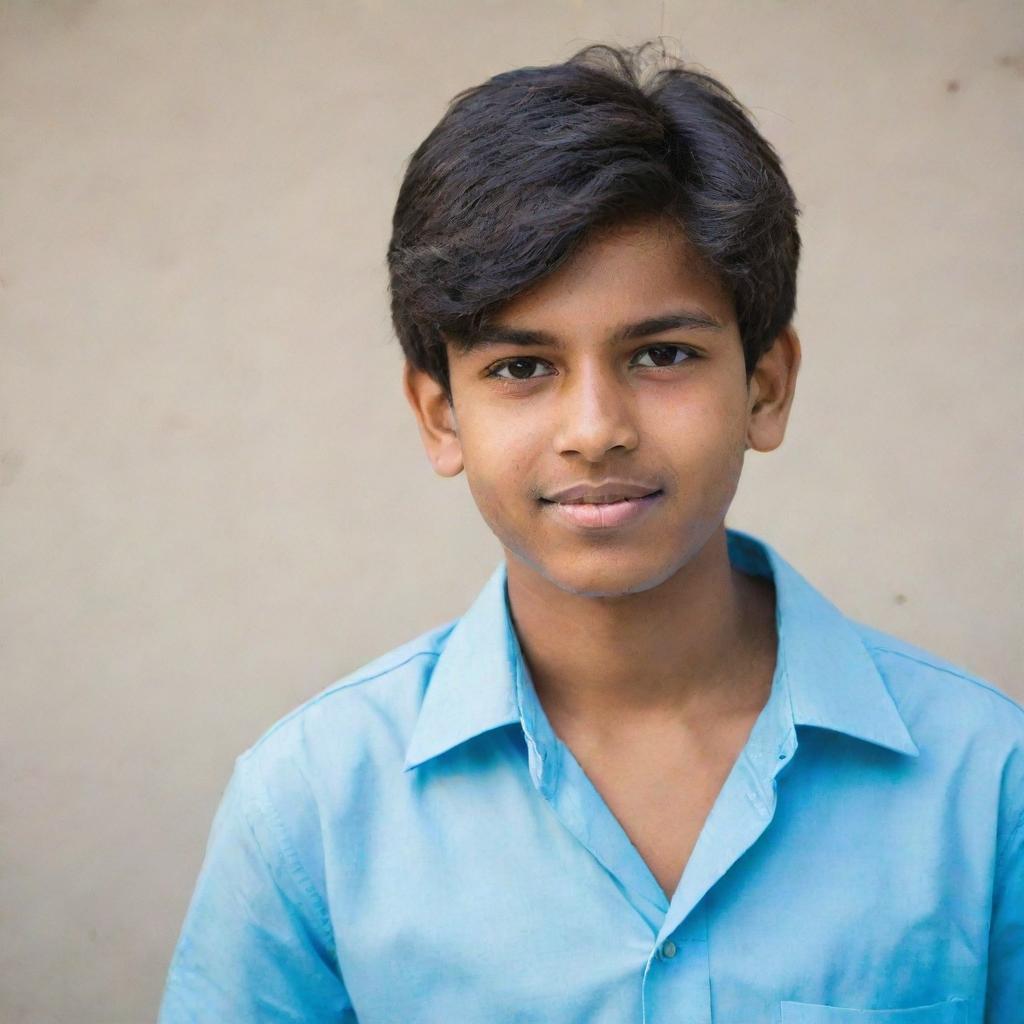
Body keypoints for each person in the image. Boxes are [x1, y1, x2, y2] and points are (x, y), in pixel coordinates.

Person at [158, 41, 1022, 1023]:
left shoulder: (985, 779)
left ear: (765, 388)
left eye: (661, 352)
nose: (594, 428)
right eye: (521, 367)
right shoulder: (312, 802)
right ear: (441, 415)